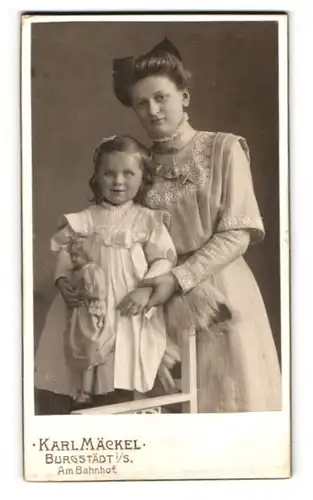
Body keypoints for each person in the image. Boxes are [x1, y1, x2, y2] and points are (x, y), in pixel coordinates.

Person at [111, 37, 282, 412]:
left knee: (229, 401)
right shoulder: (137, 166)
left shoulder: (224, 148)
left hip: (223, 291)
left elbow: (237, 231)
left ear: (184, 97)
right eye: (141, 103)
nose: (152, 110)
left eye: (161, 97)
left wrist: (181, 278)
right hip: (160, 301)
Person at [34, 135, 181, 410]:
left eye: (128, 173)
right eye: (109, 173)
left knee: (123, 359)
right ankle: (89, 399)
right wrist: (62, 279)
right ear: (97, 178)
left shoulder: (148, 220)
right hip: (91, 304)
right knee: (89, 353)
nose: (118, 181)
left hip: (127, 301)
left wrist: (147, 287)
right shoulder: (87, 218)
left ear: (143, 177)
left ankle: (121, 403)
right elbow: (66, 250)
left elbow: (164, 258)